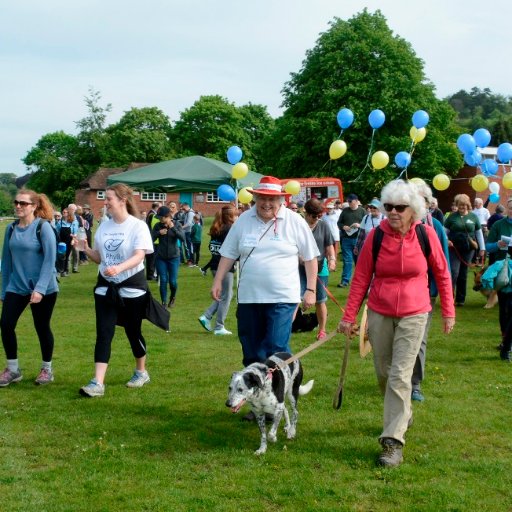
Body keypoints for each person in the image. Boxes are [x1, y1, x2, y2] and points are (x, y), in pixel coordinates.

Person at [337, 179, 455, 468]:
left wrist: (448, 311)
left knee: (401, 375)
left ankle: (392, 442)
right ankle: (403, 414)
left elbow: (442, 273)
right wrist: (348, 315)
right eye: (388, 206)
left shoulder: (426, 235)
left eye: (399, 208)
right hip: (379, 310)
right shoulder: (376, 237)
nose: (392, 212)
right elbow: (361, 278)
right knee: (383, 373)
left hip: (416, 312)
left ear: (412, 210)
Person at [211, 176, 319, 369]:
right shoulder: (244, 220)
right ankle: (257, 395)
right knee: (251, 351)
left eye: (272, 199)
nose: (266, 203)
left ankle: (279, 393)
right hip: (248, 298)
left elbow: (310, 257)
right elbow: (228, 254)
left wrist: (311, 289)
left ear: (281, 200)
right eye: (262, 198)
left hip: (283, 297)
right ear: (255, 199)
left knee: (275, 348)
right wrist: (218, 280)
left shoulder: (295, 221)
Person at [75, 183, 154, 398]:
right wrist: (85, 250)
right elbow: (100, 258)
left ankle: (141, 371)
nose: (105, 202)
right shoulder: (104, 226)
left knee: (132, 331)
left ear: (122, 200)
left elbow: (140, 256)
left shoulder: (137, 226)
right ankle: (97, 383)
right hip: (105, 289)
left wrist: (118, 268)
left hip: (132, 290)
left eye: (109, 198)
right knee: (104, 332)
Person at [0, 189, 59, 386]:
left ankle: (47, 369)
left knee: (42, 327)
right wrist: (3, 290)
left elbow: (50, 260)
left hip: (44, 288)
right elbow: (6, 263)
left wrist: (40, 289)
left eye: (23, 203)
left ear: (34, 206)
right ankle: (13, 369)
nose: (18, 206)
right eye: (16, 202)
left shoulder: (43, 227)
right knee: (6, 324)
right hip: (16, 286)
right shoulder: (11, 229)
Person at [411, 182, 450, 402]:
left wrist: (444, 303)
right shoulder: (394, 225)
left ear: (427, 204)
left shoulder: (434, 226)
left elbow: (442, 266)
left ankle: (415, 383)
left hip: (425, 294)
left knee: (418, 339)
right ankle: (397, 377)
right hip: (395, 297)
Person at [199, 204, 238, 335]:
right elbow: (231, 250)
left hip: (215, 266)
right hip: (224, 266)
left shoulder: (217, 228)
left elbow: (214, 250)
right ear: (231, 216)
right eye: (236, 215)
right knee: (227, 296)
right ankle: (219, 326)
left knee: (224, 295)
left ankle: (207, 316)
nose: (237, 217)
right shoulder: (229, 229)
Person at [301, 198, 336, 340]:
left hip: (321, 267)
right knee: (293, 299)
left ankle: (322, 330)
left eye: (319, 216)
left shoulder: (323, 225)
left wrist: (332, 259)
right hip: (299, 268)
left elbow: (329, 246)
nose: (316, 218)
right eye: (314, 216)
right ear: (306, 213)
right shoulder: (299, 225)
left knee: (320, 300)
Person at [444, 194, 485, 306]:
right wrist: (447, 240)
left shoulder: (473, 217)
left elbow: (479, 233)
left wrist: (482, 248)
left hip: (468, 249)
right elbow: (444, 232)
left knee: (463, 274)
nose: (462, 207)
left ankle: (460, 299)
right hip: (454, 249)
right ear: (457, 205)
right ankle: (449, 298)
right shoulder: (452, 217)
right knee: (453, 272)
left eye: (464, 205)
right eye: (460, 205)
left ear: (468, 205)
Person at [485, 198, 512, 361]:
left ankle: (507, 346)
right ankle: (505, 340)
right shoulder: (498, 225)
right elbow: (488, 247)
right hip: (503, 271)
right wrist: (498, 244)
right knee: (505, 308)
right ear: (507, 209)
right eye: (511, 208)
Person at [151, 206, 185, 308]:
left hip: (174, 257)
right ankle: (164, 303)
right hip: (161, 257)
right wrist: (158, 233)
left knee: (173, 281)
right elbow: (150, 238)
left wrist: (173, 228)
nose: (160, 219)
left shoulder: (177, 224)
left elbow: (183, 238)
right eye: (159, 218)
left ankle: (172, 297)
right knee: (163, 280)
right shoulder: (157, 226)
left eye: (162, 218)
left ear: (168, 216)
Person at [337, 193, 365, 287]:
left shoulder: (362, 211)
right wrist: (343, 227)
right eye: (348, 201)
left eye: (350, 201)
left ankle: (360, 282)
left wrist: (359, 225)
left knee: (359, 262)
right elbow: (339, 223)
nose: (349, 203)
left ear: (356, 201)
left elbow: (367, 225)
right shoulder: (345, 211)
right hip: (346, 239)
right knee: (347, 261)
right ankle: (345, 281)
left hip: (359, 240)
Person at [55, 206, 79, 277]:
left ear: (69, 213)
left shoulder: (73, 222)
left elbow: (75, 233)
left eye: (66, 212)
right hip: (61, 242)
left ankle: (64, 271)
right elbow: (57, 232)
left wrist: (73, 240)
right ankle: (59, 271)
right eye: (64, 212)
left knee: (67, 256)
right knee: (60, 256)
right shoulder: (60, 222)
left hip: (69, 241)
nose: (65, 213)